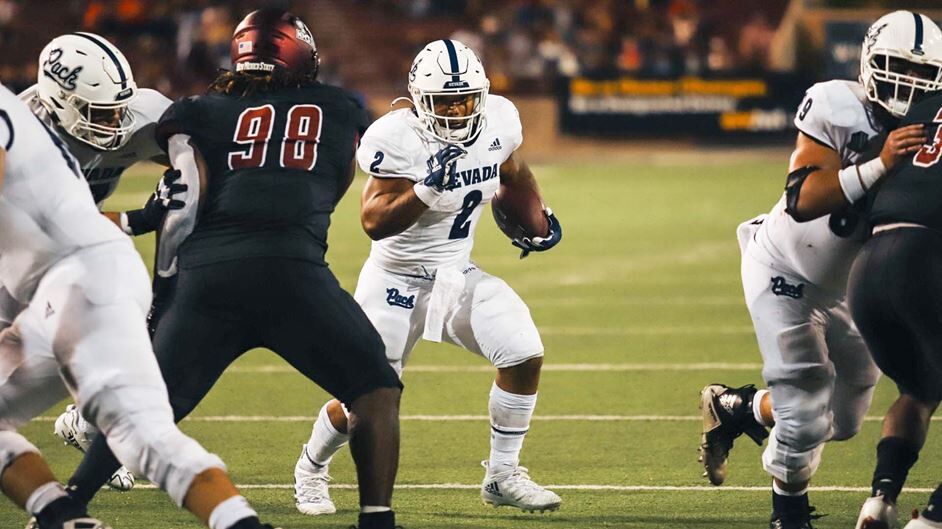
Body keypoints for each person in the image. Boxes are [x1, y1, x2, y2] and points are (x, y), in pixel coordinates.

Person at [63, 10, 405, 529]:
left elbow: (184, 203)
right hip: (294, 273)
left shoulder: (198, 111)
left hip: (210, 276)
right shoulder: (339, 107)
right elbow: (336, 183)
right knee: (374, 386)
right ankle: (377, 520)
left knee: (148, 407)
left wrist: (167, 293)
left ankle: (66, 501)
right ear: (302, 53)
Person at [293, 39, 563, 517]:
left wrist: (535, 220)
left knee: (523, 351)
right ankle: (311, 468)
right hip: (393, 281)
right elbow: (374, 220)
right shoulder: (396, 137)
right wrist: (425, 188)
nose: (458, 111)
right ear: (419, 99)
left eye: (465, 99)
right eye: (445, 101)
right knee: (366, 395)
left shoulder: (498, 119)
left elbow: (514, 172)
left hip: (456, 274)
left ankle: (502, 475)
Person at [697, 10, 942, 529]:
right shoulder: (837, 103)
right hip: (787, 270)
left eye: (923, 74)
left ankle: (741, 408)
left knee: (845, 422)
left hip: (854, 287)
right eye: (897, 66)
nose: (909, 82)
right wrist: (879, 165)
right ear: (869, 61)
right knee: (806, 414)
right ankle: (788, 516)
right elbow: (802, 198)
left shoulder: (932, 125)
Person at [0, 80, 276, 529]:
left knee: (141, 434)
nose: (110, 121)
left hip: (84, 279)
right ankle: (60, 515)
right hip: (55, 283)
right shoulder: (27, 113)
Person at [16, 31, 188, 492]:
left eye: (118, 108)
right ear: (60, 103)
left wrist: (182, 179)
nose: (115, 122)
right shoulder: (21, 141)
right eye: (99, 113)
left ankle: (92, 426)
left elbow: (192, 163)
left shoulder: (141, 113)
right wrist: (138, 217)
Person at [847, 87, 942, 529]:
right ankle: (933, 519)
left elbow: (863, 179)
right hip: (927, 259)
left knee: (919, 389)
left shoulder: (925, 106)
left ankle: (880, 500)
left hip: (869, 266)